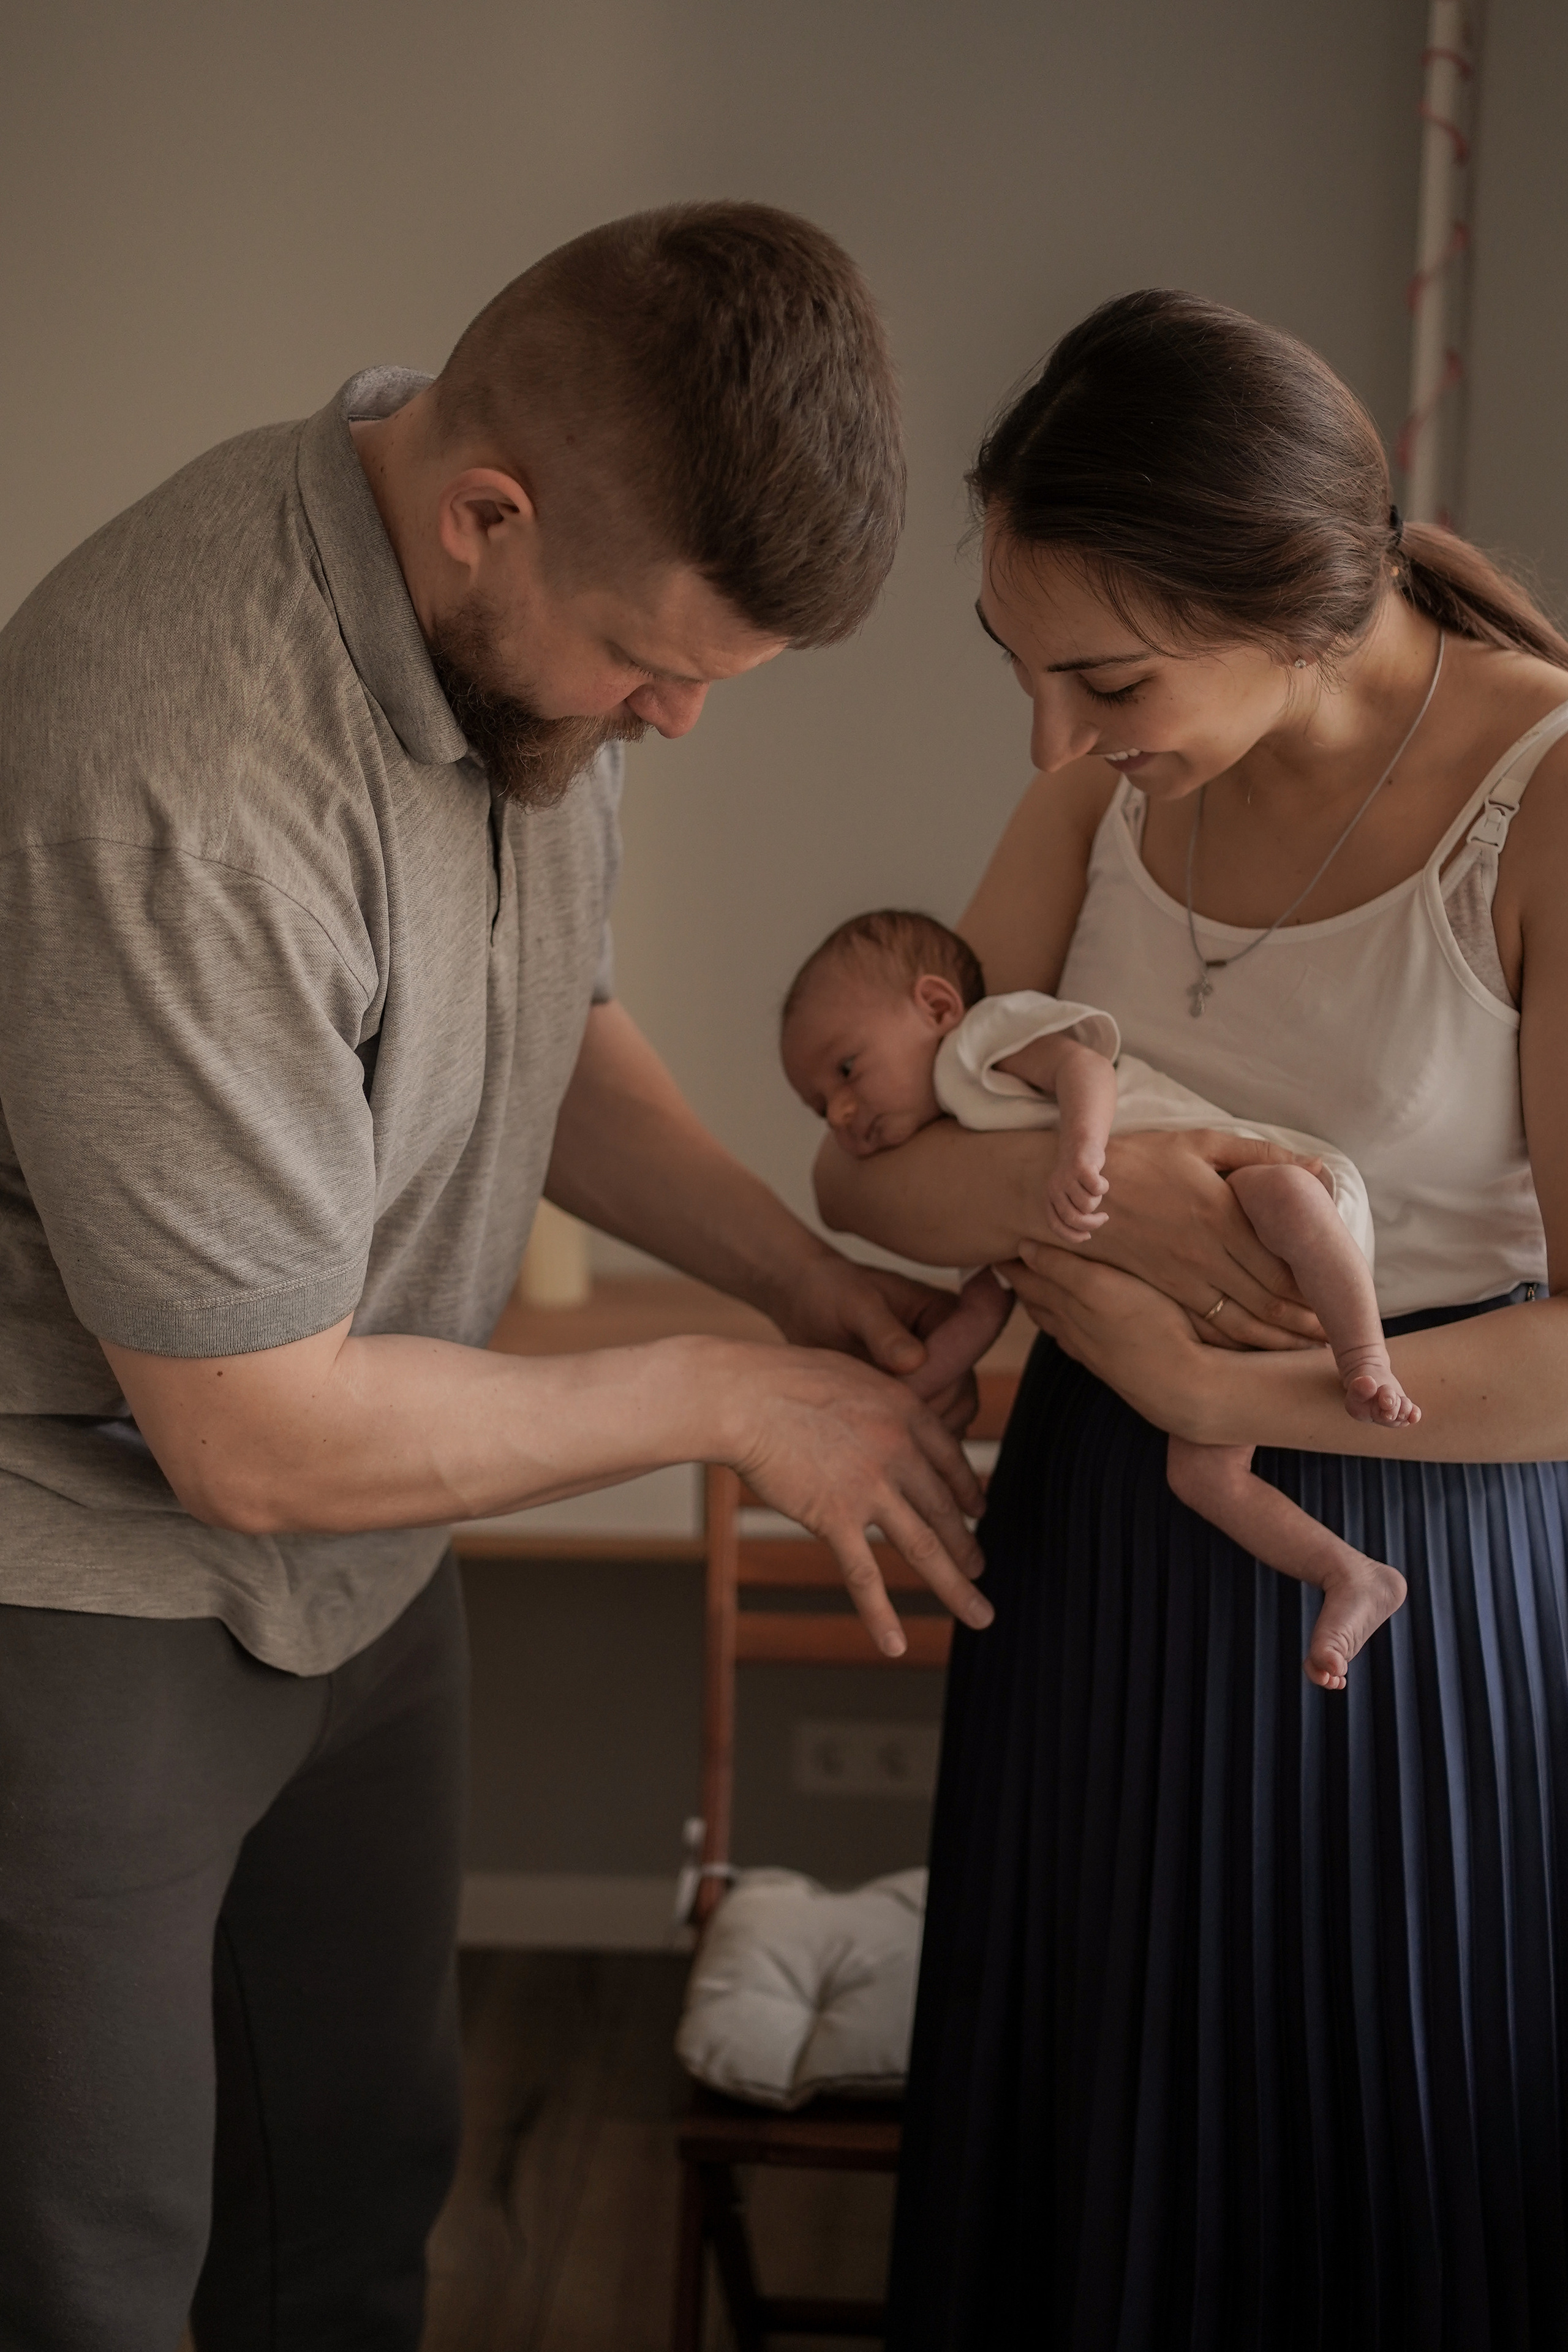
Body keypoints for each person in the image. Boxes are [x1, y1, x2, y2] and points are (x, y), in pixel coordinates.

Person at [0, 203, 997, 2352]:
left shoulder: (521, 635)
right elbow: (250, 1434)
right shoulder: (182, 771)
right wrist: (726, 1393)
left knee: (356, 2202)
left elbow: (541, 1030)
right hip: (80, 1577)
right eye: (657, 668)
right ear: (483, 517)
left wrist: (795, 1278)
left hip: (370, 1558)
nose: (677, 722)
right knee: (90, 2273)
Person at [815, 290, 1568, 2347]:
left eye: (1107, 679)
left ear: (1295, 598)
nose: (1051, 741)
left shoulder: (1542, 800)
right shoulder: (1099, 811)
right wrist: (1107, 1202)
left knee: (1384, 2154)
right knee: (1094, 2151)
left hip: (1419, 1566)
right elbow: (866, 1165)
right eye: (1021, 668)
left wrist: (1196, 1370)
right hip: (1097, 1558)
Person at [780, 905, 1415, 1688]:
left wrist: (1079, 1154)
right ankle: (1352, 1576)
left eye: (846, 1070)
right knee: (1203, 1477)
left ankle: (1365, 1358)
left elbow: (1084, 1069)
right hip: (1225, 1318)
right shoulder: (966, 1146)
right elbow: (980, 1311)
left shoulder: (977, 1045)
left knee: (1286, 1193)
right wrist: (900, 1395)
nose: (840, 1114)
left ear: (937, 1006)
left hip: (1262, 1188)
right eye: (819, 1105)